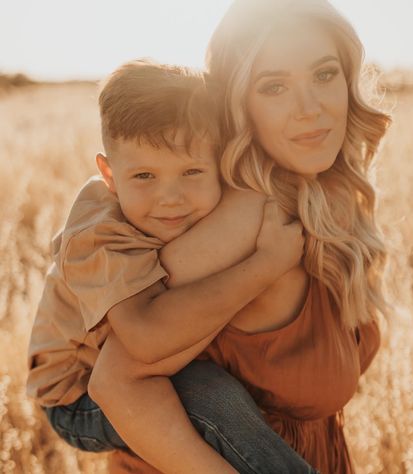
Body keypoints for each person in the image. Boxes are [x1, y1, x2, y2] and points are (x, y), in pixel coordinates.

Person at [91, 0, 392, 471]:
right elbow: (115, 380)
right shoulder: (253, 217)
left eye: (324, 74)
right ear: (238, 102)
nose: (310, 109)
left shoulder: (319, 197)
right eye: (274, 86)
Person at [26, 59, 307, 473]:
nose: (170, 197)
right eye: (143, 176)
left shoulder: (196, 200)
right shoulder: (97, 234)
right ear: (109, 175)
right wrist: (267, 265)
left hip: (131, 363)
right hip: (77, 395)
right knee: (208, 394)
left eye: (192, 170)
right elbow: (145, 337)